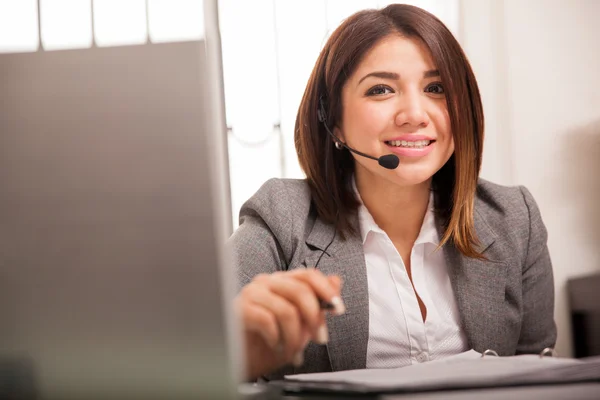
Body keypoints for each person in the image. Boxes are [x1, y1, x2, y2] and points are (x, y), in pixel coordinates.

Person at [228, 4, 556, 381]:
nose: (414, 114)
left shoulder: (515, 217)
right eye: (381, 89)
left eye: (436, 88)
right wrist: (237, 354)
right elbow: (194, 353)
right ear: (332, 120)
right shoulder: (280, 218)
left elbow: (542, 375)